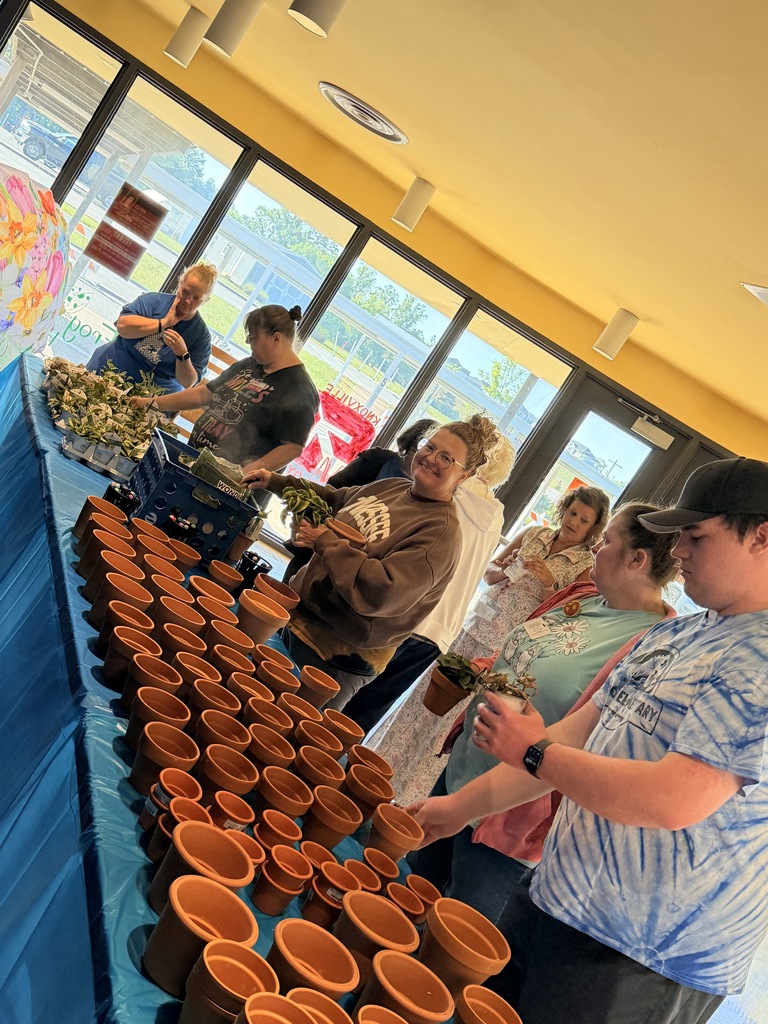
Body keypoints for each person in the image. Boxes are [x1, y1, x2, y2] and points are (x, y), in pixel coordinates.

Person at [409, 457, 768, 1024]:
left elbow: (673, 799)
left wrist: (534, 751)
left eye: (697, 536)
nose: (679, 552)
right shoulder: (675, 634)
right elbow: (569, 739)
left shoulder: (760, 660)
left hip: (640, 954)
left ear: (762, 537)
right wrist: (459, 807)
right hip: (557, 898)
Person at [405, 502, 678, 924]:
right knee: (404, 894)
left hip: (508, 818)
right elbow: (525, 648)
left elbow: (593, 743)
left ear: (636, 560)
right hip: (464, 769)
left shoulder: (650, 648)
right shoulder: (586, 596)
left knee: (451, 940)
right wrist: (480, 669)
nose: (594, 550)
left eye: (606, 542)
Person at [245, 415, 501, 710]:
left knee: (278, 727)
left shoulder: (439, 533)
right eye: (429, 448)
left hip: (336, 657)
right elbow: (336, 499)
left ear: (463, 476)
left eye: (446, 458)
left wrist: (326, 542)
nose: (431, 459)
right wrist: (277, 482)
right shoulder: (393, 488)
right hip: (297, 622)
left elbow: (382, 590)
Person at [342, 434, 514, 737]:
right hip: (441, 629)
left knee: (339, 689)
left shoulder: (448, 494)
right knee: (364, 713)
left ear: (469, 464)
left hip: (407, 610)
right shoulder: (496, 516)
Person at [133, 304, 318, 479]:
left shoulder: (300, 390)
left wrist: (239, 476)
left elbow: (291, 448)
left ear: (275, 338)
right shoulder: (249, 364)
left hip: (225, 487)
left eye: (253, 337)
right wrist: (151, 403)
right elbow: (204, 394)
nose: (248, 342)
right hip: (193, 463)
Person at [281, 418, 437, 583]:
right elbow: (332, 490)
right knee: (288, 587)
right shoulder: (377, 460)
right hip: (321, 541)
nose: (427, 457)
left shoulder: (422, 493)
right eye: (425, 447)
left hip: (358, 562)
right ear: (412, 442)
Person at [464, 485, 610, 659]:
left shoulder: (587, 566)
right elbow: (488, 573)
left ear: (593, 528)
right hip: (474, 623)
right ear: (564, 510)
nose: (574, 522)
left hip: (508, 646)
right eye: (572, 513)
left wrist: (548, 584)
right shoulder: (533, 533)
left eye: (584, 521)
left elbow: (564, 616)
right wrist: (505, 570)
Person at [87, 261, 218, 393]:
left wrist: (182, 354)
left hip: (153, 391)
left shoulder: (201, 336)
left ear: (206, 300)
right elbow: (122, 326)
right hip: (112, 365)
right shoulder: (155, 301)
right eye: (185, 292)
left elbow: (188, 382)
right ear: (179, 284)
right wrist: (164, 323)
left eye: (196, 298)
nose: (188, 300)